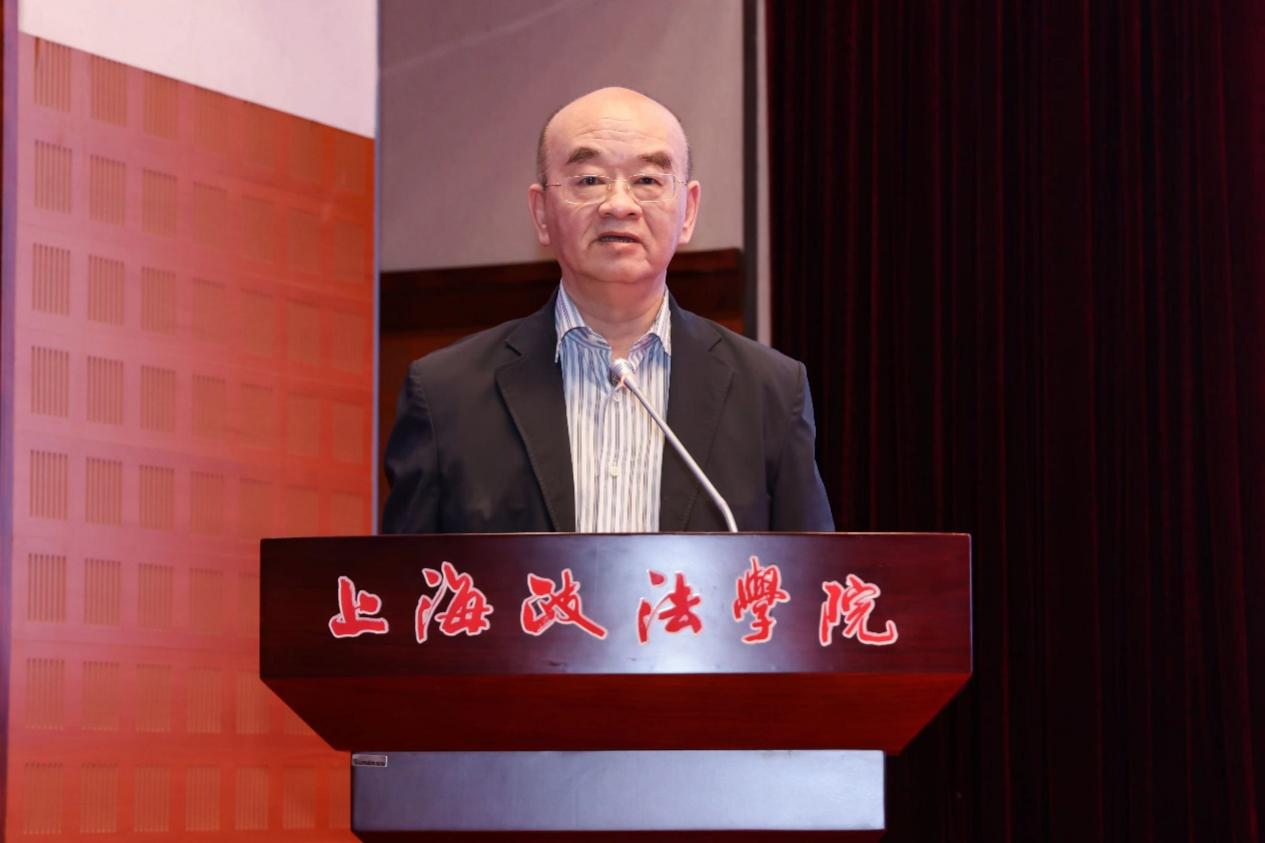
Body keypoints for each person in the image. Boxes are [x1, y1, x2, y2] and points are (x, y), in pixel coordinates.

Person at [381, 87, 833, 534]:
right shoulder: (446, 394)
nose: (619, 204)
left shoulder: (770, 392)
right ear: (541, 214)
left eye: (648, 181)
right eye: (589, 180)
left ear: (689, 212)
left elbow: (813, 572)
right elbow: (403, 577)